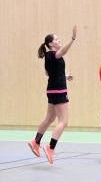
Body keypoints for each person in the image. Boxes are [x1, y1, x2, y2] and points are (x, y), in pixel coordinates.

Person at [28, 25, 77, 164]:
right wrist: (72, 38)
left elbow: (48, 73)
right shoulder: (53, 54)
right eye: (56, 39)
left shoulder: (48, 57)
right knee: (63, 121)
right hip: (59, 90)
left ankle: (36, 142)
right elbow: (62, 51)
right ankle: (50, 147)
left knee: (49, 118)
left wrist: (64, 75)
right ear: (50, 44)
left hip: (51, 89)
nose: (59, 39)